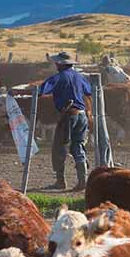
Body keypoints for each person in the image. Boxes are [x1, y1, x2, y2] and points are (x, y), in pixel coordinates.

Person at [39, 52, 92, 190]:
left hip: (68, 115)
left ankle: (60, 181)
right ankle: (82, 181)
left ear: (59, 64)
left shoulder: (58, 77)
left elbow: (41, 91)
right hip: (82, 115)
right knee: (78, 146)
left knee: (59, 147)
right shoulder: (80, 77)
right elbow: (89, 91)